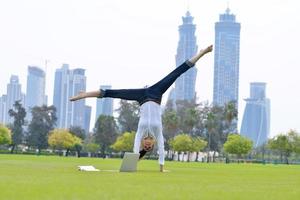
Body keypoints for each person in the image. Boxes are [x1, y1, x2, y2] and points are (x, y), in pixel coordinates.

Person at [70, 45, 213, 172]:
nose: (148, 144)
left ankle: (84, 95)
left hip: (141, 96)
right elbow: (162, 148)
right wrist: (161, 169)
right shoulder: (158, 131)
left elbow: (135, 145)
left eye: (146, 146)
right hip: (156, 93)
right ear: (152, 143)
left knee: (114, 93)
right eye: (150, 146)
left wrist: (133, 165)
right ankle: (201, 53)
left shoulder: (141, 130)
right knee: (177, 72)